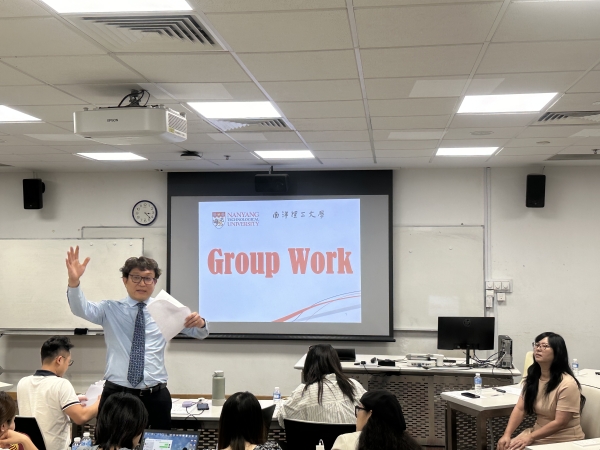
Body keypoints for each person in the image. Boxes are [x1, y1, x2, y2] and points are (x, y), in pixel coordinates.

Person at [65, 246, 209, 429]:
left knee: (158, 443)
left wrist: (200, 323)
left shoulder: (166, 310)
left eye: (148, 278)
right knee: (112, 442)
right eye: (136, 277)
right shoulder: (110, 309)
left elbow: (200, 333)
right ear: (125, 280)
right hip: (118, 395)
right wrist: (74, 281)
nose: (142, 283)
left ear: (155, 282)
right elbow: (80, 308)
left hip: (155, 396)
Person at [497, 332, 585, 450]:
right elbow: (520, 409)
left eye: (545, 346)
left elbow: (560, 422)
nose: (538, 349)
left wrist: (531, 437)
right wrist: (507, 434)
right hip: (537, 434)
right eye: (537, 345)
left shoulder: (567, 384)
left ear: (557, 352)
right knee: (504, 447)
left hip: (563, 440)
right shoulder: (533, 378)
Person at [17, 336, 98, 450]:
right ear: (59, 360)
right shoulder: (61, 384)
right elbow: (81, 417)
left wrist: (71, 399)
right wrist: (99, 402)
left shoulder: (23, 382)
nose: (67, 367)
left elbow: (44, 404)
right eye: (69, 362)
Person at [277, 344, 366, 427]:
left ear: (309, 365)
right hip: (353, 439)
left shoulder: (303, 392)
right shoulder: (355, 386)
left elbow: (283, 420)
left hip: (317, 439)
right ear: (336, 363)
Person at [332, 390, 421, 450]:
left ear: (370, 414)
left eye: (359, 409)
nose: (357, 415)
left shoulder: (346, 442)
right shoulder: (411, 446)